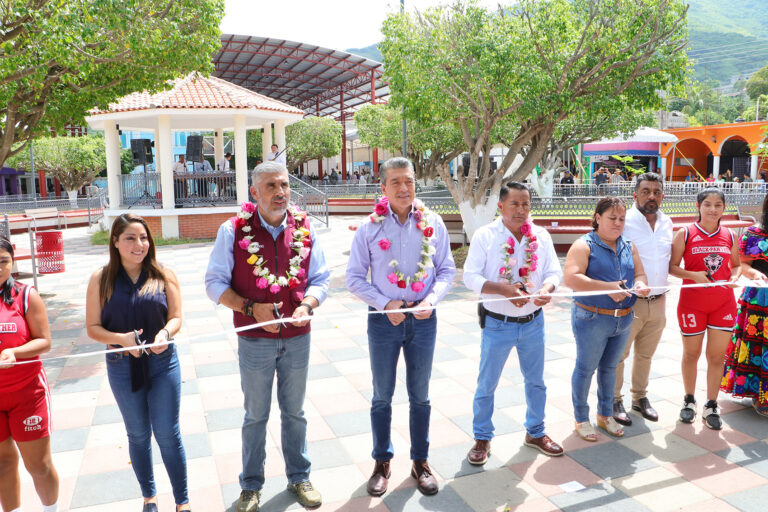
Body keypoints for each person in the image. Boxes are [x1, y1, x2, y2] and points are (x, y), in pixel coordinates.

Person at [205, 161, 330, 512]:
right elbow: (214, 284)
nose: (280, 193)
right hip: (254, 340)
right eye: (271, 187)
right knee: (255, 415)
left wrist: (307, 304)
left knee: (295, 412)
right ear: (254, 193)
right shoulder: (233, 231)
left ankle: (299, 477)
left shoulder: (305, 228)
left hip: (298, 336)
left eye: (285, 185)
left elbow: (321, 278)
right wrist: (249, 308)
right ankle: (251, 486)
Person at [346, 157, 456, 497]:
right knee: (382, 396)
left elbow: (447, 270)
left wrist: (431, 300)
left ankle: (420, 462)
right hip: (384, 321)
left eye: (408, 181)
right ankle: (382, 462)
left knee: (420, 396)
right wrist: (385, 303)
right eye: (395, 182)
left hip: (424, 321)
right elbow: (353, 278)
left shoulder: (433, 223)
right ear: (383, 188)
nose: (404, 188)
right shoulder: (370, 228)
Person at [85, 214, 189, 512]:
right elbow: (93, 328)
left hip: (163, 362)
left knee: (168, 433)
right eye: (130, 238)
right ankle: (150, 498)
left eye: (143, 238)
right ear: (115, 242)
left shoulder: (163, 274)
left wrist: (165, 333)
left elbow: (177, 316)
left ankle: (183, 501)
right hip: (120, 365)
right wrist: (120, 339)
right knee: (138, 433)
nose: (139, 244)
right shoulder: (100, 278)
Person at [463, 182, 564, 463]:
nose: (521, 210)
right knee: (487, 384)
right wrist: (504, 290)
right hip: (498, 323)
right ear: (500, 206)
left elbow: (555, 271)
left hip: (533, 322)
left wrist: (547, 289)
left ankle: (536, 431)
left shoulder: (541, 236)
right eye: (514, 204)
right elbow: (470, 277)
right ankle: (482, 438)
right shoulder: (485, 236)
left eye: (526, 204)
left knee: (536, 382)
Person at [563, 197, 650, 441]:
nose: (618, 223)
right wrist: (606, 288)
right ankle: (581, 418)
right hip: (592, 317)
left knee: (610, 368)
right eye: (612, 218)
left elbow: (640, 273)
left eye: (622, 219)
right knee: (585, 368)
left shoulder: (628, 245)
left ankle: (604, 414)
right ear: (597, 217)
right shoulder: (584, 245)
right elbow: (571, 278)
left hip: (623, 319)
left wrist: (641, 283)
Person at [669, 188, 740, 430]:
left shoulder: (730, 234)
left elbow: (737, 265)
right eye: (707, 204)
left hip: (723, 304)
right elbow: (672, 267)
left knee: (717, 356)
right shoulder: (685, 233)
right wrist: (693, 275)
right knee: (691, 354)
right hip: (692, 303)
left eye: (718, 204)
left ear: (723, 208)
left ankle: (711, 404)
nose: (712, 209)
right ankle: (689, 400)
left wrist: (734, 277)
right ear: (698, 206)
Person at [0, 237, 59, 512]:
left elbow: (44, 341)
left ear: (13, 262)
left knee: (40, 465)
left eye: (3, 261)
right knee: (3, 464)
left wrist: (16, 353)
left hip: (27, 393)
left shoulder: (25, 295)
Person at [613, 173, 673, 426]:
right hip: (630, 301)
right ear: (635, 194)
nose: (651, 196)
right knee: (618, 354)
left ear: (663, 196)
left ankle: (639, 398)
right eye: (646, 191)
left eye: (656, 192)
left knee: (646, 355)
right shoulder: (624, 221)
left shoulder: (667, 222)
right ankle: (613, 400)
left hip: (659, 301)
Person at [722, 193, 768, 416]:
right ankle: (760, 396)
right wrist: (758, 275)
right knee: (760, 345)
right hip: (761, 298)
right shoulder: (755, 233)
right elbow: (745, 266)